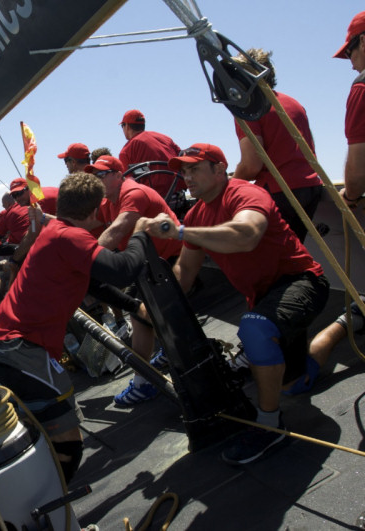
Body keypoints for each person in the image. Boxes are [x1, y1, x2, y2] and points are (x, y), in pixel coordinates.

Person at [143, 143, 329, 465]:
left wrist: (181, 231)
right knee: (293, 383)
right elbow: (184, 273)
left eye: (194, 169)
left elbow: (246, 235)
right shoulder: (198, 214)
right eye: (183, 172)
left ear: (219, 168)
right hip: (265, 300)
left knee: (255, 328)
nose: (187, 177)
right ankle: (347, 322)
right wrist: (150, 310)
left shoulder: (244, 194)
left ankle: (271, 427)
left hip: (302, 282)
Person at [0, 172, 150, 483]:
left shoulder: (56, 232)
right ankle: (51, 508)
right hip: (24, 353)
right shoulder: (70, 237)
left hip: (9, 350)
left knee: (42, 438)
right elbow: (123, 271)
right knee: (68, 449)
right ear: (94, 212)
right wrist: (141, 232)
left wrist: (133, 307)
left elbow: (92, 282)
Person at [87, 156, 182, 404]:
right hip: (146, 262)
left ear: (118, 174)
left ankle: (146, 380)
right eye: (93, 177)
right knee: (139, 313)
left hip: (168, 260)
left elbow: (117, 230)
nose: (96, 180)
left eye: (101, 175)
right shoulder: (109, 201)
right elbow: (87, 224)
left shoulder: (132, 192)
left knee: (140, 315)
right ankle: (166, 357)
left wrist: (84, 263)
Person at [231, 49, 323, 242]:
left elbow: (251, 166)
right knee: (294, 251)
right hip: (310, 187)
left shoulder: (248, 109)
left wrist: (229, 186)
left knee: (271, 260)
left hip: (282, 191)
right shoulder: (293, 103)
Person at [118, 109, 185, 200]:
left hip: (152, 201)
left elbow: (127, 184)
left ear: (127, 127)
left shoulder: (126, 151)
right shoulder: (165, 138)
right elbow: (182, 158)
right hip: (179, 196)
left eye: (122, 126)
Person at [334, 11, 365, 207]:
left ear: (363, 42)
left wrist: (349, 196)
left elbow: (357, 174)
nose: (351, 65)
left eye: (348, 53)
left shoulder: (362, 87)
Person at [0, 178, 30, 244]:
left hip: (22, 245)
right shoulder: (31, 205)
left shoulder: (7, 213)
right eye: (14, 195)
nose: (18, 198)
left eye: (20, 193)